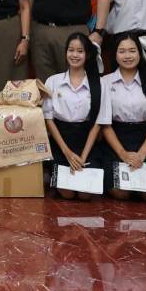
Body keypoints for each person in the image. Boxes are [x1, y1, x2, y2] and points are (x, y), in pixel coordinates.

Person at [96, 32, 146, 202]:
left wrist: (142, 153)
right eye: (122, 51)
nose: (127, 56)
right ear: (115, 54)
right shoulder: (105, 82)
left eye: (132, 51)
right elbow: (105, 124)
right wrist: (123, 154)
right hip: (115, 141)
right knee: (120, 192)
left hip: (145, 141)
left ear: (140, 53)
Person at [43, 32, 103, 201]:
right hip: (60, 142)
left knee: (85, 194)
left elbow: (97, 124)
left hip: (87, 143)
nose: (74, 55)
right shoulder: (53, 81)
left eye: (80, 51)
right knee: (67, 193)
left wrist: (83, 157)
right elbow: (49, 119)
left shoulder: (98, 84)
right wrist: (67, 152)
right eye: (71, 50)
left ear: (87, 54)